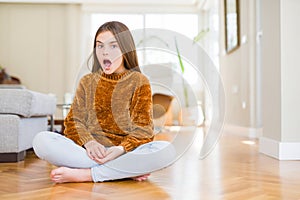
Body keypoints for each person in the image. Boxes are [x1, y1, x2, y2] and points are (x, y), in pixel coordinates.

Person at [32, 21, 176, 183]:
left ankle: (87, 175)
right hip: (87, 152)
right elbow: (73, 122)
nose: (105, 52)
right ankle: (123, 171)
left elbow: (144, 130)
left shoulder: (139, 81)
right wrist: (89, 143)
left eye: (113, 46)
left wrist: (121, 150)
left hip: (122, 152)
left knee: (166, 150)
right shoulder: (87, 81)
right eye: (100, 46)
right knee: (41, 140)